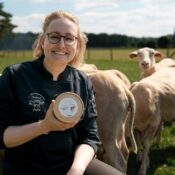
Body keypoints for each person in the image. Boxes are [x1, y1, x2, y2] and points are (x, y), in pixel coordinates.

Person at [0, 10, 124, 175]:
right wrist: (43, 126)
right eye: (55, 36)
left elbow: (89, 137)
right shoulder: (15, 76)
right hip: (25, 167)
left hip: (71, 163)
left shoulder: (83, 81)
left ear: (77, 44)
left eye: (69, 38)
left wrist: (77, 169)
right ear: (43, 40)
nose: (61, 44)